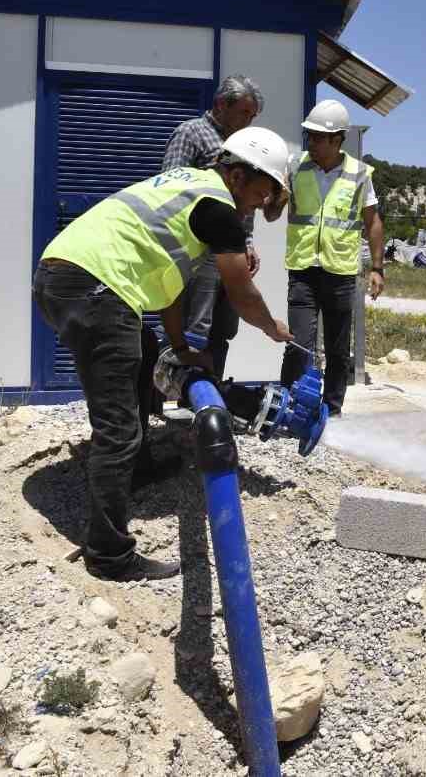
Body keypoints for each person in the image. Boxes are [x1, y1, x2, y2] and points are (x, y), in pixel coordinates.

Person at [33, 127, 295, 582]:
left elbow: (169, 289)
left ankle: (138, 467)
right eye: (260, 192)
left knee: (145, 347)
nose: (258, 204)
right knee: (117, 428)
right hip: (95, 288)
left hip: (64, 276)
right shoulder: (219, 209)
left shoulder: (188, 190)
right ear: (237, 175)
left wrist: (181, 349)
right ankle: (109, 555)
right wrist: (273, 328)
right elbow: (240, 290)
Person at [271, 99, 386, 417]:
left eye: (319, 137)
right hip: (303, 270)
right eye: (309, 135)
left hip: (340, 272)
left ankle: (332, 411)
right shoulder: (295, 167)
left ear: (338, 140)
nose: (312, 142)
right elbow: (270, 213)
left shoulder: (359, 174)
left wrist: (377, 268)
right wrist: (278, 199)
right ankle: (287, 409)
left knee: (337, 350)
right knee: (298, 344)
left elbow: (373, 222)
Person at [161, 75, 265, 379]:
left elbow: (245, 199)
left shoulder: (245, 146)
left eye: (253, 116)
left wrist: (247, 241)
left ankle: (210, 394)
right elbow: (169, 188)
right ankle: (168, 390)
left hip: (230, 252)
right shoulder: (191, 133)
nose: (248, 121)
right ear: (221, 104)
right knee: (193, 328)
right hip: (198, 254)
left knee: (223, 328)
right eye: (244, 113)